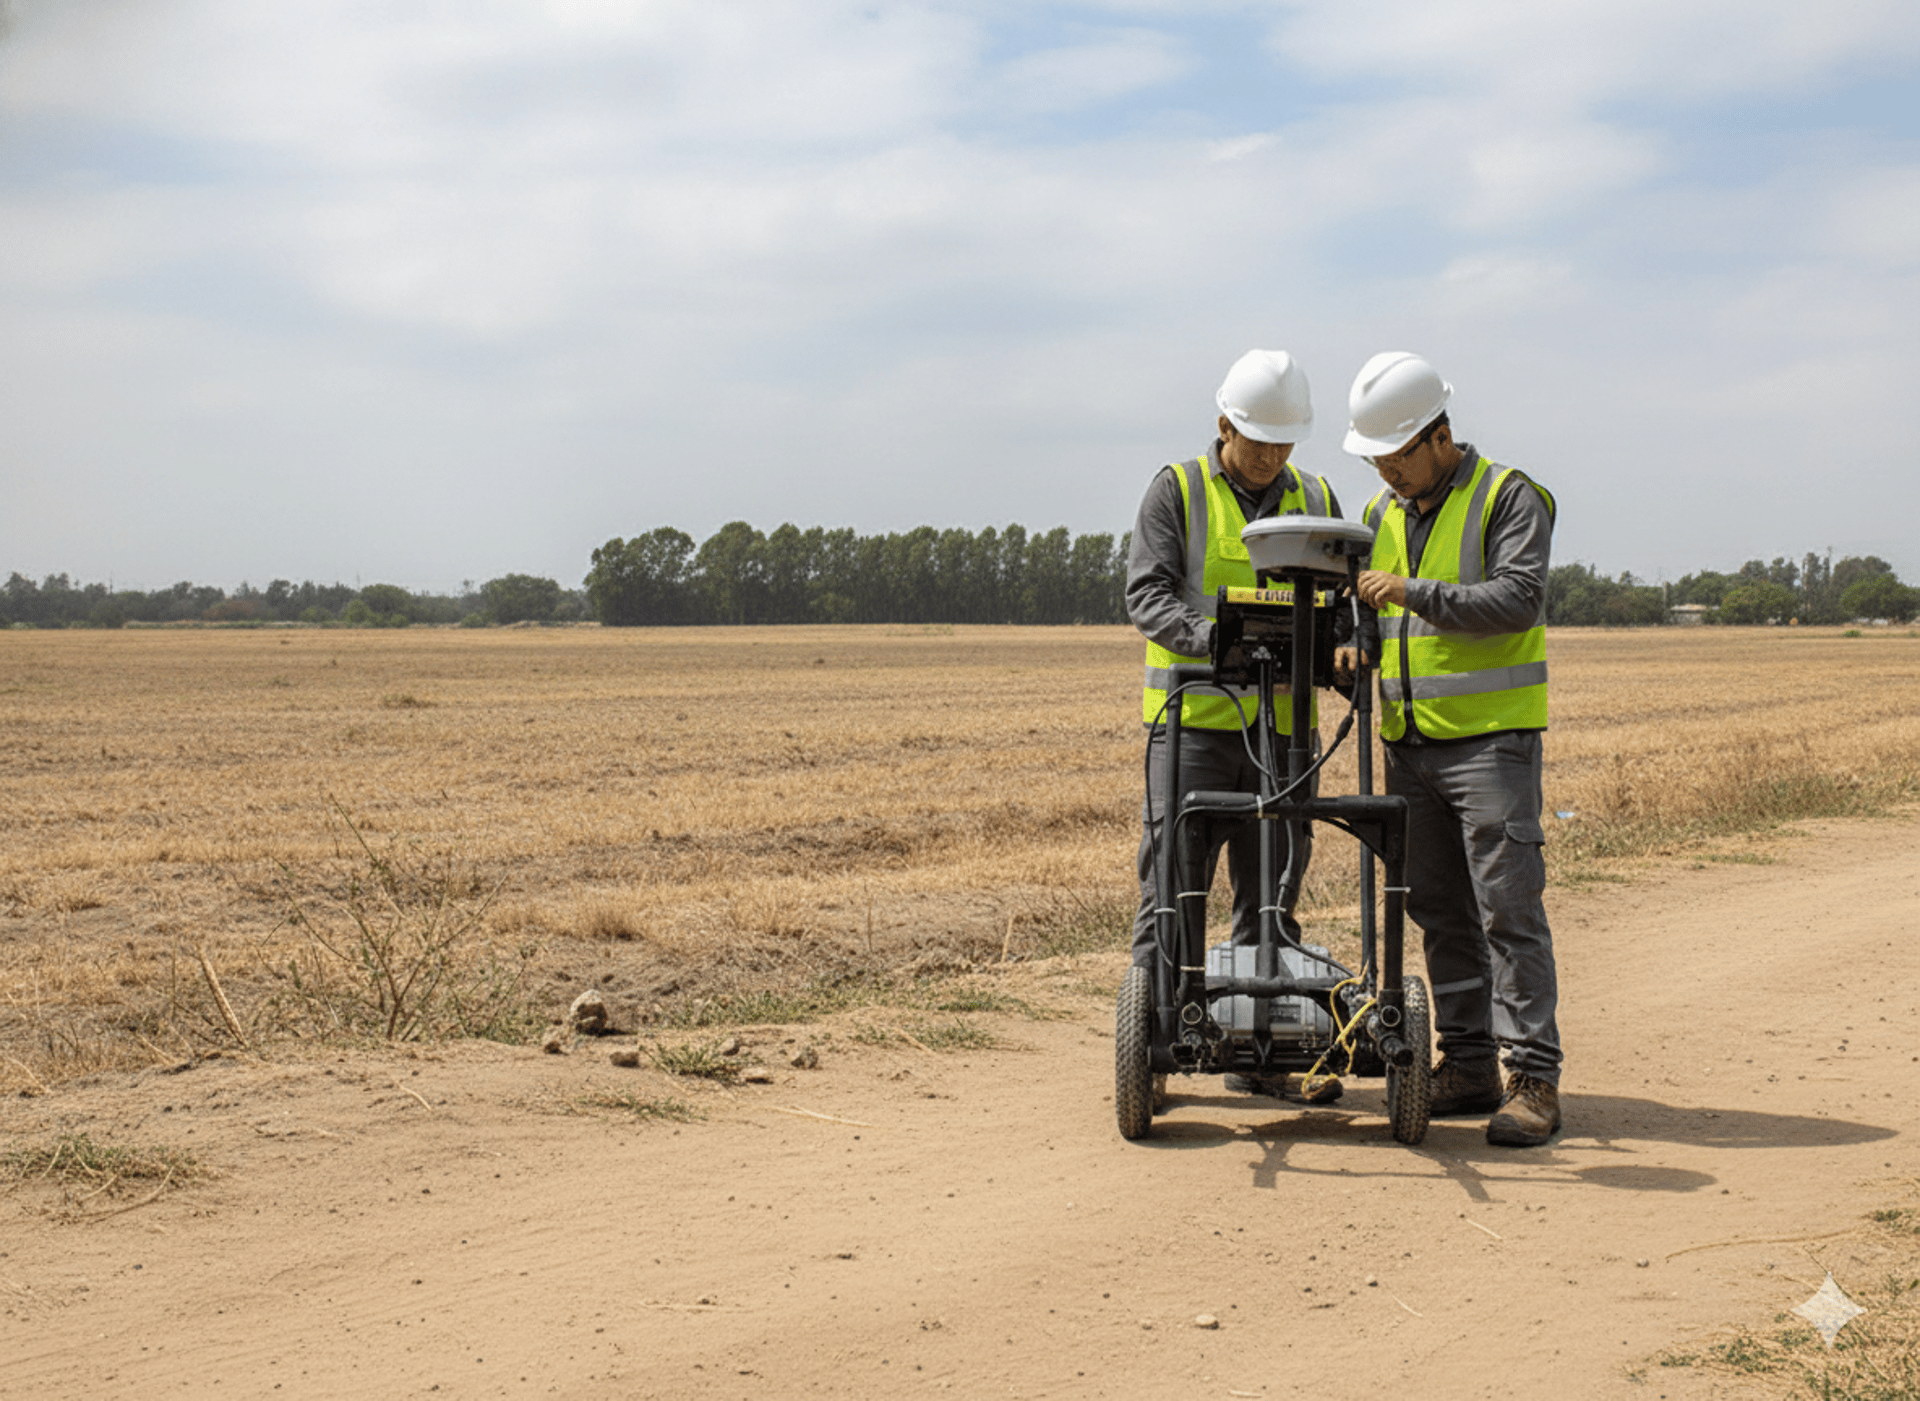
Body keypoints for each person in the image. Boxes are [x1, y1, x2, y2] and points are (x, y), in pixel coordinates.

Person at [1340, 351, 1562, 1147]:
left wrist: (1412, 594)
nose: (1388, 474)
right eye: (1377, 461)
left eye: (1396, 457)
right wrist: (1353, 651)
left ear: (1439, 435)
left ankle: (1533, 1078)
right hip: (1411, 746)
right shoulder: (1379, 516)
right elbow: (1372, 621)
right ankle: (1467, 1063)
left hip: (1490, 744)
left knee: (1508, 907)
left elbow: (1517, 597)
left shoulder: (1509, 497)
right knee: (1439, 911)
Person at [1125, 348, 1346, 1103]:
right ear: (1224, 426)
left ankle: (1260, 1054)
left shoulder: (1316, 495)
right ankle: (1158, 1045)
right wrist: (1217, 642)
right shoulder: (1177, 491)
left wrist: (1339, 648)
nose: (1273, 459)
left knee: (1272, 895)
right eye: (1260, 444)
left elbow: (1341, 601)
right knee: (1173, 889)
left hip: (1284, 739)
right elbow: (1148, 595)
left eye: (1285, 444)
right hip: (1193, 730)